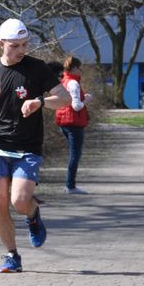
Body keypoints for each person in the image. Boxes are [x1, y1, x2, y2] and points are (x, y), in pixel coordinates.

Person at [0, 19, 69, 273]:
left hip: (27, 148)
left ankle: (32, 215)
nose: (21, 50)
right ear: (1, 43)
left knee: (19, 201)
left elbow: (64, 98)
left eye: (24, 44)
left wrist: (40, 102)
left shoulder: (37, 68)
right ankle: (11, 255)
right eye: (15, 45)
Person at [53, 54, 93, 195]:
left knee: (74, 153)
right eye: (80, 68)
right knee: (75, 154)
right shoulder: (73, 84)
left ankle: (70, 185)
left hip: (63, 120)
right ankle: (70, 186)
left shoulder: (64, 81)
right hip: (73, 121)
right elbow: (76, 106)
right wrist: (87, 100)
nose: (81, 71)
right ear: (74, 68)